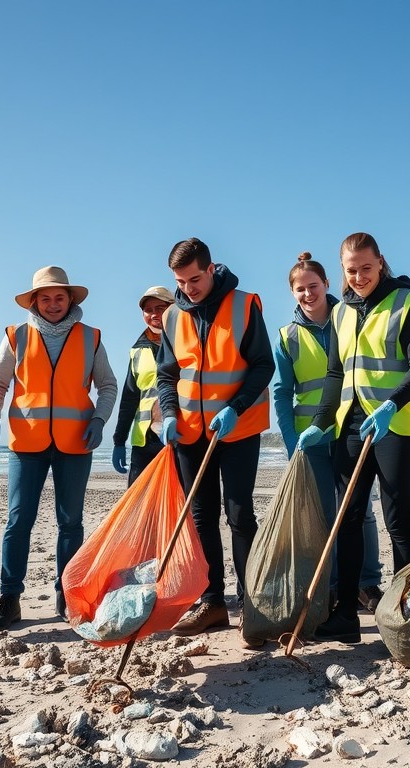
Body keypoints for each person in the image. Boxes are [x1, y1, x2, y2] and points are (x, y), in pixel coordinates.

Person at [297, 233, 410, 643]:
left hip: (395, 424)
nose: (358, 277)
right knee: (349, 517)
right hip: (351, 425)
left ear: (381, 262)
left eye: (366, 268)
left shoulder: (407, 302)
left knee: (395, 518)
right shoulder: (341, 313)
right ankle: (345, 616)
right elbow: (336, 372)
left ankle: (409, 607)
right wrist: (321, 421)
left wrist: (390, 406)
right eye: (351, 270)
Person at [0, 265, 118, 629]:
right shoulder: (16, 336)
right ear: (35, 301)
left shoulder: (91, 337)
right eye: (46, 298)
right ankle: (9, 598)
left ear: (70, 299)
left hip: (76, 443)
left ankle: (66, 592)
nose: (53, 304)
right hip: (27, 443)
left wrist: (99, 420)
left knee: (70, 522)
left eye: (60, 297)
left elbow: (108, 385)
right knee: (17, 520)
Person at [156, 237, 275, 649]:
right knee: (201, 518)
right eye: (180, 281)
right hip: (190, 432)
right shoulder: (172, 317)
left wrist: (237, 407)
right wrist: (168, 414)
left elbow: (264, 364)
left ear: (210, 269)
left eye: (194, 278)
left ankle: (250, 603)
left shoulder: (244, 305)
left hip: (237, 430)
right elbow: (166, 375)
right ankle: (213, 602)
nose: (188, 287)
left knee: (240, 515)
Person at [272, 252, 385, 613]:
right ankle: (336, 586)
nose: (308, 294)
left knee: (360, 510)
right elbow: (281, 393)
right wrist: (292, 441)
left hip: (350, 430)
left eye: (313, 286)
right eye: (300, 289)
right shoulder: (287, 337)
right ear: (292, 293)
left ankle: (368, 584)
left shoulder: (349, 319)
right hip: (313, 440)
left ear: (325, 285)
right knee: (325, 515)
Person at [111, 286, 176, 486]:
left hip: (179, 437)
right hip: (145, 441)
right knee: (139, 507)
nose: (154, 314)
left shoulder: (186, 342)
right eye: (148, 310)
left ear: (173, 309)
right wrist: (119, 440)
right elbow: (129, 398)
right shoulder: (137, 351)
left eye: (160, 307)